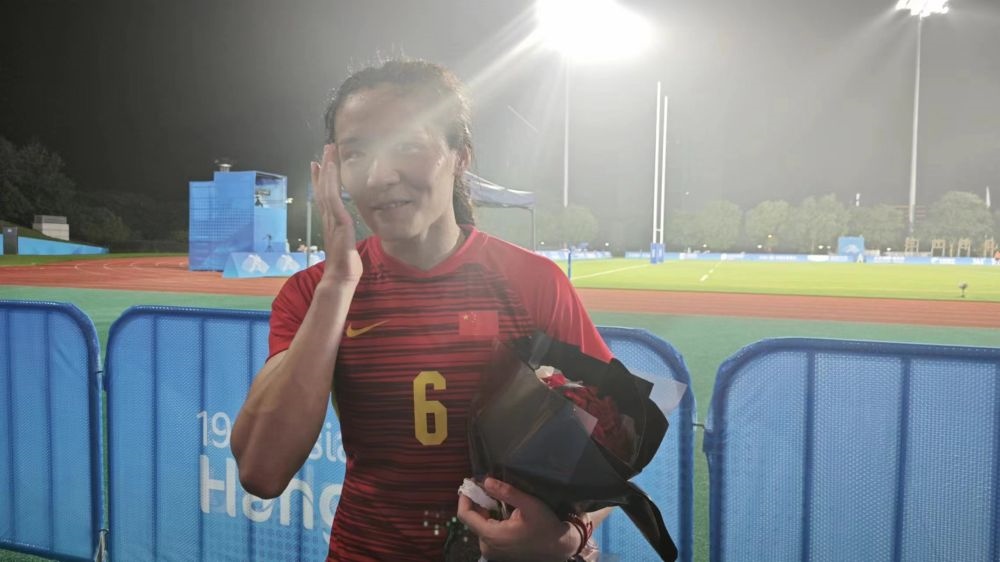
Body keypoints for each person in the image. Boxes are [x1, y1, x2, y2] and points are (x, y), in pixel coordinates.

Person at [231, 59, 612, 561]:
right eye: (356, 153)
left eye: (407, 145)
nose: (379, 175)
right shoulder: (312, 293)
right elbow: (261, 471)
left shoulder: (531, 283)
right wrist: (338, 284)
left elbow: (614, 440)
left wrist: (571, 534)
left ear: (460, 156)